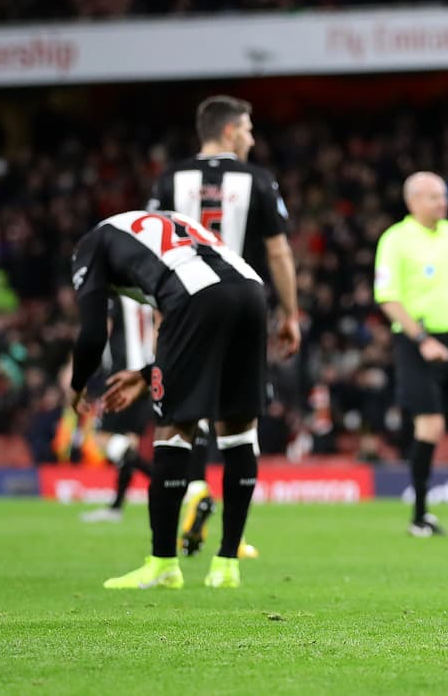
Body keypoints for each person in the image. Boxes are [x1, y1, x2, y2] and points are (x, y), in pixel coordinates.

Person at [69, 209, 268, 589]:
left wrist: (76, 387)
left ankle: (163, 564)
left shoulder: (90, 247)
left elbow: (93, 334)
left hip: (195, 297)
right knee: (239, 428)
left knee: (174, 430)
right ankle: (227, 565)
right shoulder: (160, 224)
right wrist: (147, 375)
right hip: (251, 290)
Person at [148, 94, 301, 558]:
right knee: (238, 424)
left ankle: (171, 537)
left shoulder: (170, 179)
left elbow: (152, 249)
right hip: (241, 308)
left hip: (184, 307)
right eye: (249, 129)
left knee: (177, 421)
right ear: (231, 131)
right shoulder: (256, 179)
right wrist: (291, 313)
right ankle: (230, 552)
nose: (253, 138)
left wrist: (160, 313)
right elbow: (277, 251)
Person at [374, 171, 448, 537]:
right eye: (434, 197)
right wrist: (423, 338)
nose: (442, 203)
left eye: (443, 196)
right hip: (416, 342)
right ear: (413, 202)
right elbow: (388, 298)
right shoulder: (395, 240)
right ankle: (420, 515)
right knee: (430, 426)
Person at [80, 297, 157, 523]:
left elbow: (101, 332)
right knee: (129, 443)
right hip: (145, 377)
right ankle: (116, 507)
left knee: (102, 439)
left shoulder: (114, 295)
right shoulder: (146, 294)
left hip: (121, 377)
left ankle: (162, 480)